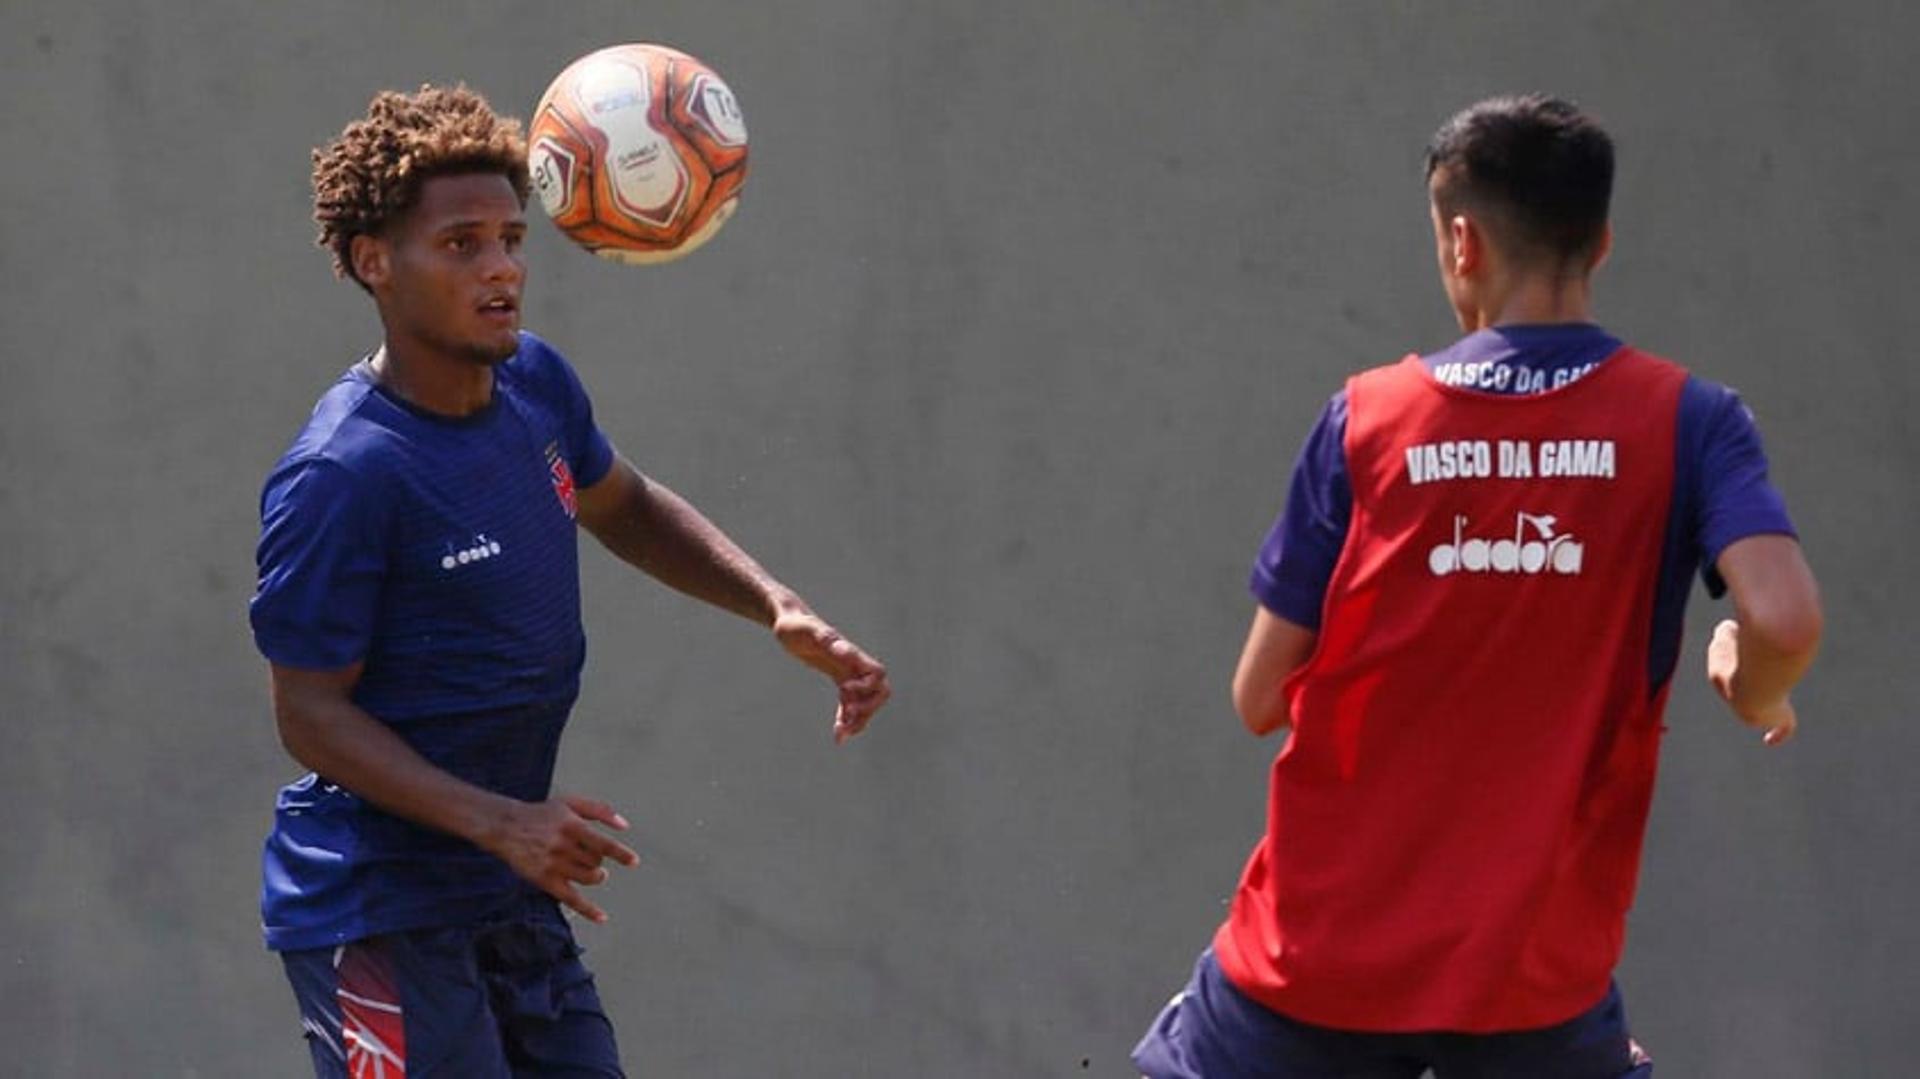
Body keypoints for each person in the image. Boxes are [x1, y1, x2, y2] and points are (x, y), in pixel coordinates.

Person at [1133, 95, 1822, 1078]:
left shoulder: (1367, 421)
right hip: (1533, 986)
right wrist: (1758, 685)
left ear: (1462, 242)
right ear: (1603, 240)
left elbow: (1257, 698)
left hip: (1308, 970)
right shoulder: (1691, 420)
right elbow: (1783, 616)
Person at [251, 84, 891, 1077]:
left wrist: (775, 604)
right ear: (374, 262)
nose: (503, 265)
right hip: (375, 907)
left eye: (511, 237)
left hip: (504, 888)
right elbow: (309, 712)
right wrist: (503, 819)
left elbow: (624, 504)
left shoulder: (534, 384)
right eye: (462, 243)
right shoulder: (345, 471)